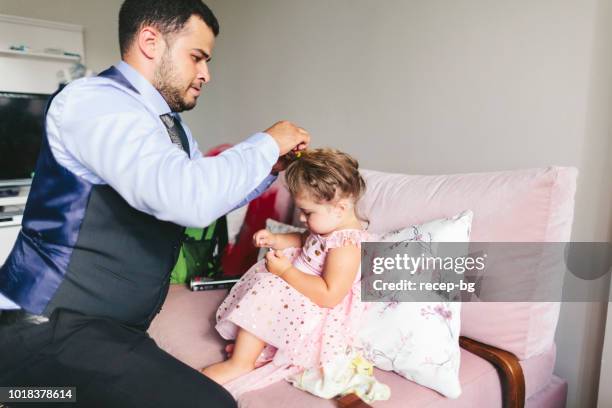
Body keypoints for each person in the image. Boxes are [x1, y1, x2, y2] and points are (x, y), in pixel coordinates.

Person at [0, 0, 309, 407]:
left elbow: (205, 192)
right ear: (150, 41)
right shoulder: (95, 102)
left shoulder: (167, 125)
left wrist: (268, 166)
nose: (206, 74)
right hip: (46, 327)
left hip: (110, 329)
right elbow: (186, 198)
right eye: (197, 57)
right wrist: (266, 141)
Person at [202, 148, 368, 397]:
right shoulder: (327, 228)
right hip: (297, 295)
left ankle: (241, 363)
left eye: (307, 212)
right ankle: (254, 346)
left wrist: (286, 271)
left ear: (340, 208)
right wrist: (277, 238)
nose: (301, 218)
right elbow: (304, 239)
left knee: (271, 288)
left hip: (315, 313)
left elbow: (328, 296)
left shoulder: (345, 246)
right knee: (268, 284)